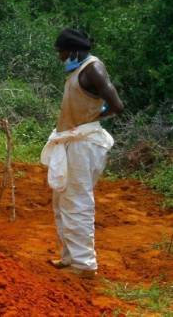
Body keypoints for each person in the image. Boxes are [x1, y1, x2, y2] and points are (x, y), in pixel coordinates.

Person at [41, 28, 123, 278]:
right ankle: (70, 257)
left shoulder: (93, 69)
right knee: (63, 201)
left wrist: (91, 119)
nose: (60, 57)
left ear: (74, 50)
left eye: (62, 52)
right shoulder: (79, 70)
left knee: (77, 203)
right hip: (75, 142)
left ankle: (84, 265)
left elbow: (117, 105)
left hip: (83, 144)